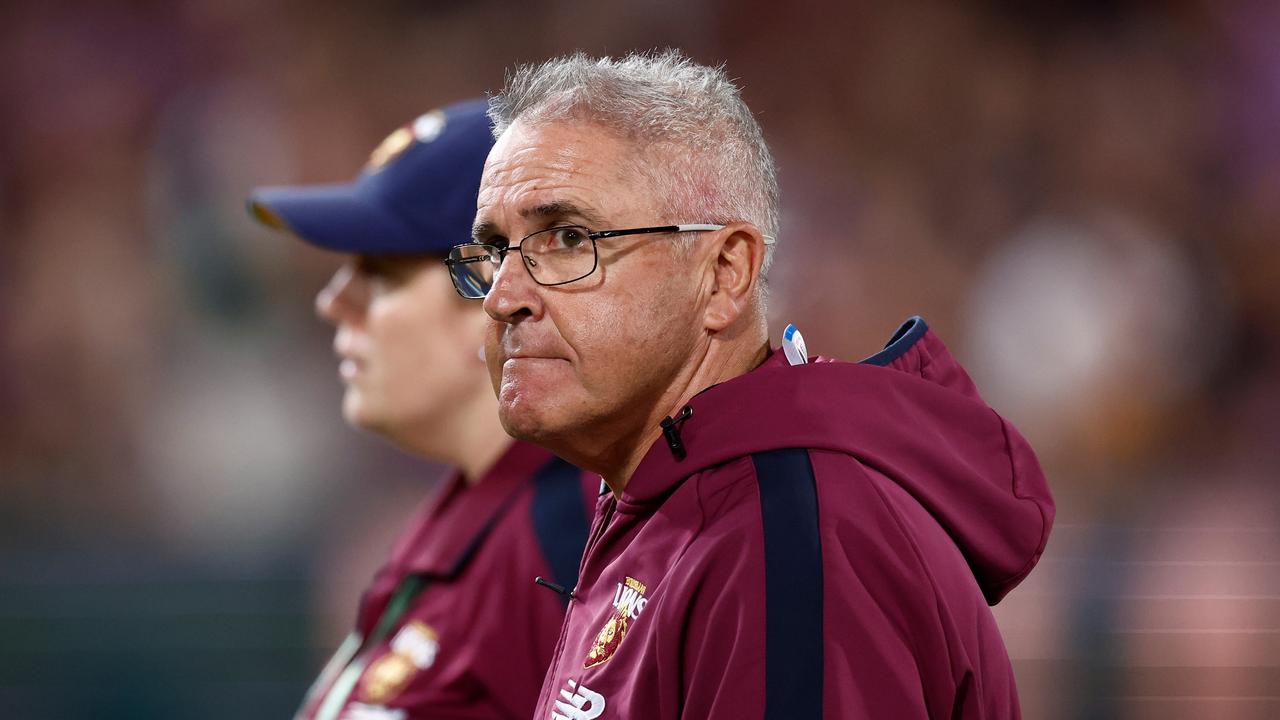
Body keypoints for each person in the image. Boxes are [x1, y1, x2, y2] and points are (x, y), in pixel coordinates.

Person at [444, 53, 1056, 719]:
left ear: (726, 272)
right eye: (495, 249)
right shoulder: (682, 505)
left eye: (567, 238)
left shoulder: (790, 541)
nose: (503, 297)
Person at [248, 99, 597, 720]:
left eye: (380, 274)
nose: (334, 301)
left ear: (494, 296)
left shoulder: (572, 536)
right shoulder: (478, 518)